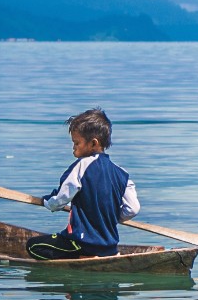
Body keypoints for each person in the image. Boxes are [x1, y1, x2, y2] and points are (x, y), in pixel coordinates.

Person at [27, 107, 141, 260]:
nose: (73, 147)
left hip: (80, 242)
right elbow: (132, 209)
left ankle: (83, 256)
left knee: (32, 246)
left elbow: (61, 198)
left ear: (93, 143)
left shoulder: (81, 167)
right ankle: (101, 256)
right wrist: (112, 217)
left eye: (76, 142)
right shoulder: (122, 174)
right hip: (109, 246)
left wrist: (47, 202)